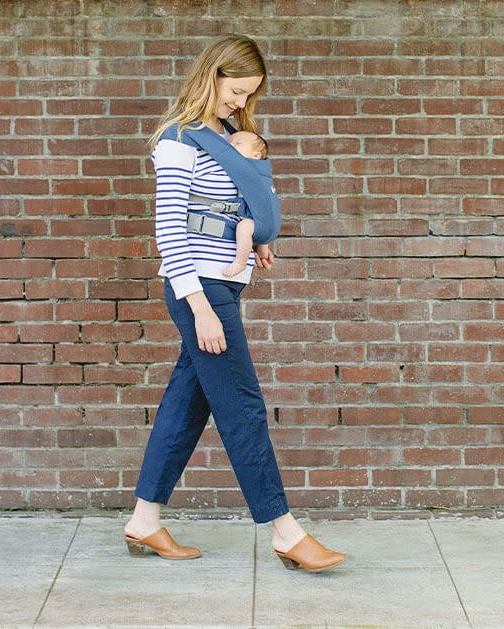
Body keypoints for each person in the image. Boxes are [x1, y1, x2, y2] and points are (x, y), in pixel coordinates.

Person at [123, 33, 346, 572]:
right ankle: (286, 532)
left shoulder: (230, 137)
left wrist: (255, 241)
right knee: (243, 406)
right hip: (199, 289)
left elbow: (232, 204)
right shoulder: (179, 140)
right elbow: (170, 230)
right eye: (236, 90)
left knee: (187, 403)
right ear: (212, 76)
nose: (241, 102)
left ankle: (144, 522)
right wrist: (199, 307)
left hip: (223, 283)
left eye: (250, 94)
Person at [222, 130, 270, 278]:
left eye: (238, 143)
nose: (231, 145)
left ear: (256, 156)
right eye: (229, 143)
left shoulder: (254, 170)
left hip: (258, 218)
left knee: (243, 227)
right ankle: (263, 250)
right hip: (259, 219)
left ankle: (240, 262)